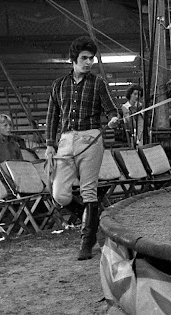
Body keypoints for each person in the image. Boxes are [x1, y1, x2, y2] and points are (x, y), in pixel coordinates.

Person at [45, 36, 120, 260]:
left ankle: (85, 244)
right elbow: (52, 117)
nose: (89, 62)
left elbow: (111, 109)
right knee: (59, 194)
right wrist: (50, 145)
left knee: (88, 190)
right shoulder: (58, 85)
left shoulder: (98, 84)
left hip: (91, 139)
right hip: (65, 142)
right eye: (84, 58)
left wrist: (114, 118)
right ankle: (93, 221)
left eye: (92, 58)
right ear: (74, 60)